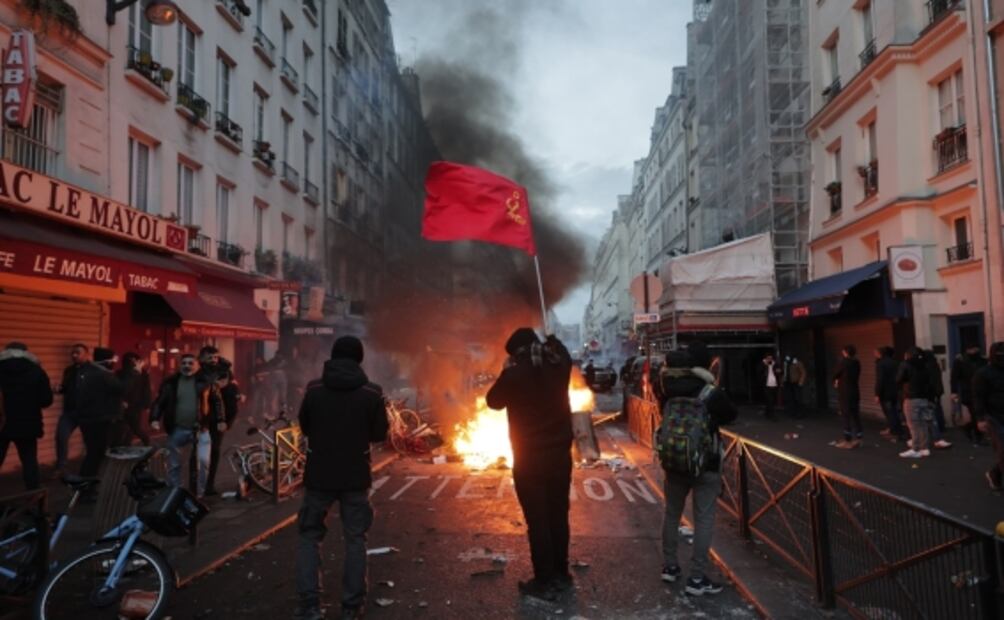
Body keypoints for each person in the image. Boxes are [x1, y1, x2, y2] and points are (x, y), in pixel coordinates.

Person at [294, 336, 388, 620]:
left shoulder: (314, 388)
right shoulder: (372, 393)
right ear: (359, 359)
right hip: (355, 476)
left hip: (319, 475)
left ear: (333, 357)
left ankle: (310, 606)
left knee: (309, 537)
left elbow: (305, 426)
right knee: (356, 539)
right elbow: (379, 434)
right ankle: (351, 607)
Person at [486, 328, 574, 601]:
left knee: (537, 521)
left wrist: (507, 370)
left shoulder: (514, 374)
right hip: (560, 458)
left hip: (529, 460)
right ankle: (561, 573)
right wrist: (553, 340)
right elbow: (565, 355)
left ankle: (544, 580)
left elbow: (492, 401)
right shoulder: (559, 369)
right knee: (558, 516)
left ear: (515, 353)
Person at [657, 341, 737, 595]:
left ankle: (670, 567)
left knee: (672, 513)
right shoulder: (710, 392)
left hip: (674, 460)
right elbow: (731, 415)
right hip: (706, 463)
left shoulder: (666, 387)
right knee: (703, 519)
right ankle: (697, 578)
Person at [150, 353, 223, 497]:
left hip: (201, 428)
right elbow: (160, 401)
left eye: (191, 363)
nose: (187, 366)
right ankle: (176, 491)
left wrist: (221, 420)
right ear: (179, 365)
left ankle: (200, 493)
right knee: (175, 464)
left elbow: (217, 402)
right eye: (184, 363)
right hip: (177, 428)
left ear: (197, 366)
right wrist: (154, 418)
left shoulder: (207, 382)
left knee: (203, 461)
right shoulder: (170, 382)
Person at [0, 342, 53, 490]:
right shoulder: (37, 371)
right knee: (29, 461)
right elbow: (46, 401)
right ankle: (33, 500)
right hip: (28, 424)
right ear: (26, 353)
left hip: (2, 423)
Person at [75, 347, 123, 481]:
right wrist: (135, 372)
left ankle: (86, 482)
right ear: (107, 361)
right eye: (113, 359)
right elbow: (121, 388)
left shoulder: (86, 371)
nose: (114, 362)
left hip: (87, 419)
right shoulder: (103, 374)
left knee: (92, 452)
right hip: (98, 419)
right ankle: (86, 484)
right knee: (95, 454)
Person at [973, 341, 1004, 490]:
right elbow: (978, 396)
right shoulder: (983, 374)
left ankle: (995, 473)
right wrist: (980, 418)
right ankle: (995, 474)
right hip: (993, 416)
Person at [205, 360, 239, 496]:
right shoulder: (224, 383)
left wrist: (225, 423)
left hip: (215, 423)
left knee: (212, 452)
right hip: (210, 422)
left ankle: (207, 484)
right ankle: (207, 485)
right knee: (211, 453)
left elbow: (231, 408)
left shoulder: (228, 387)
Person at [54, 343, 89, 474]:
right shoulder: (68, 370)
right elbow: (66, 388)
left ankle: (91, 467)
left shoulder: (93, 371)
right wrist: (59, 389)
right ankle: (61, 467)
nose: (74, 355)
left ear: (86, 354)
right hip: (70, 412)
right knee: (61, 436)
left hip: (87, 413)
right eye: (72, 353)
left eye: (77, 352)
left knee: (90, 440)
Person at [896, 347, 937, 458]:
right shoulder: (925, 365)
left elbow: (899, 379)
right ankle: (924, 447)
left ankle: (916, 448)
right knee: (923, 424)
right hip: (924, 398)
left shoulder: (906, 365)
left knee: (913, 425)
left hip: (911, 398)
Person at [951, 345, 988, 444]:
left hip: (976, 391)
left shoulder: (963, 361)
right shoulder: (961, 361)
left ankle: (970, 429)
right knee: (975, 413)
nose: (973, 351)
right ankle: (978, 436)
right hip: (969, 391)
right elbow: (955, 378)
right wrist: (954, 391)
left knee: (977, 414)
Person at [116, 352, 152, 447]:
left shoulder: (143, 374)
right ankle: (126, 445)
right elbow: (118, 389)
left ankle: (146, 442)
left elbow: (146, 389)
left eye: (134, 360)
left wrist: (147, 404)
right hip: (123, 404)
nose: (133, 362)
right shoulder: (120, 373)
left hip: (136, 405)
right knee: (123, 427)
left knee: (135, 427)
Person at [831, 345, 862, 448]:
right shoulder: (857, 363)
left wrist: (836, 380)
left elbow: (835, 373)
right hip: (855, 390)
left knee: (846, 415)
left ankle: (847, 439)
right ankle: (858, 437)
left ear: (845, 352)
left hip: (845, 392)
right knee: (855, 415)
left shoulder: (843, 363)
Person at [874, 347, 906, 441]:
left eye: (876, 352)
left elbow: (880, 380)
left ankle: (895, 431)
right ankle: (896, 429)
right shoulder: (896, 362)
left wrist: (877, 393)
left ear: (881, 353)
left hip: (885, 392)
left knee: (889, 412)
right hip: (895, 390)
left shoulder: (881, 364)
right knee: (894, 411)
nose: (875, 354)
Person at [924, 349, 952, 449]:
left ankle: (937, 431)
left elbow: (930, 381)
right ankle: (941, 426)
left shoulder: (927, 366)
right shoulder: (935, 364)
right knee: (937, 409)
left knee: (932, 413)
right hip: (938, 391)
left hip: (932, 392)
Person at [760, 353, 781, 420]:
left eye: (771, 358)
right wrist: (765, 365)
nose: (770, 360)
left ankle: (768, 412)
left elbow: (780, 371)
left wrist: (779, 371)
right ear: (766, 359)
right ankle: (772, 415)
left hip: (774, 384)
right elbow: (759, 372)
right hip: (766, 384)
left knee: (772, 399)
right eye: (768, 358)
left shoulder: (775, 364)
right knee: (769, 399)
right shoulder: (762, 365)